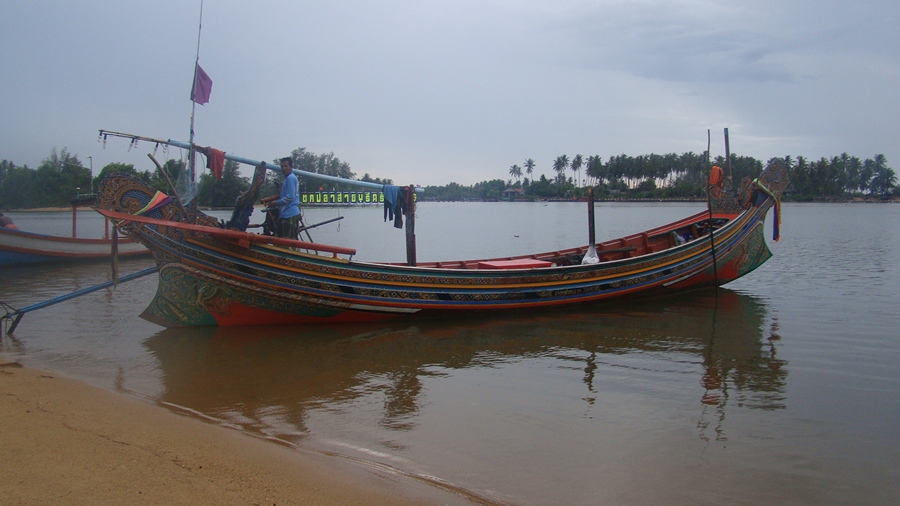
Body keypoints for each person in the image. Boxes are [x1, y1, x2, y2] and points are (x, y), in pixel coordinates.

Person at [260, 157, 301, 239]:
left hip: (289, 214)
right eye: (282, 166)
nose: (284, 168)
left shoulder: (290, 178)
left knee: (287, 241)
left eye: (286, 166)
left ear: (291, 167)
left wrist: (276, 203)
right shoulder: (288, 179)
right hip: (288, 213)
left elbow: (290, 197)